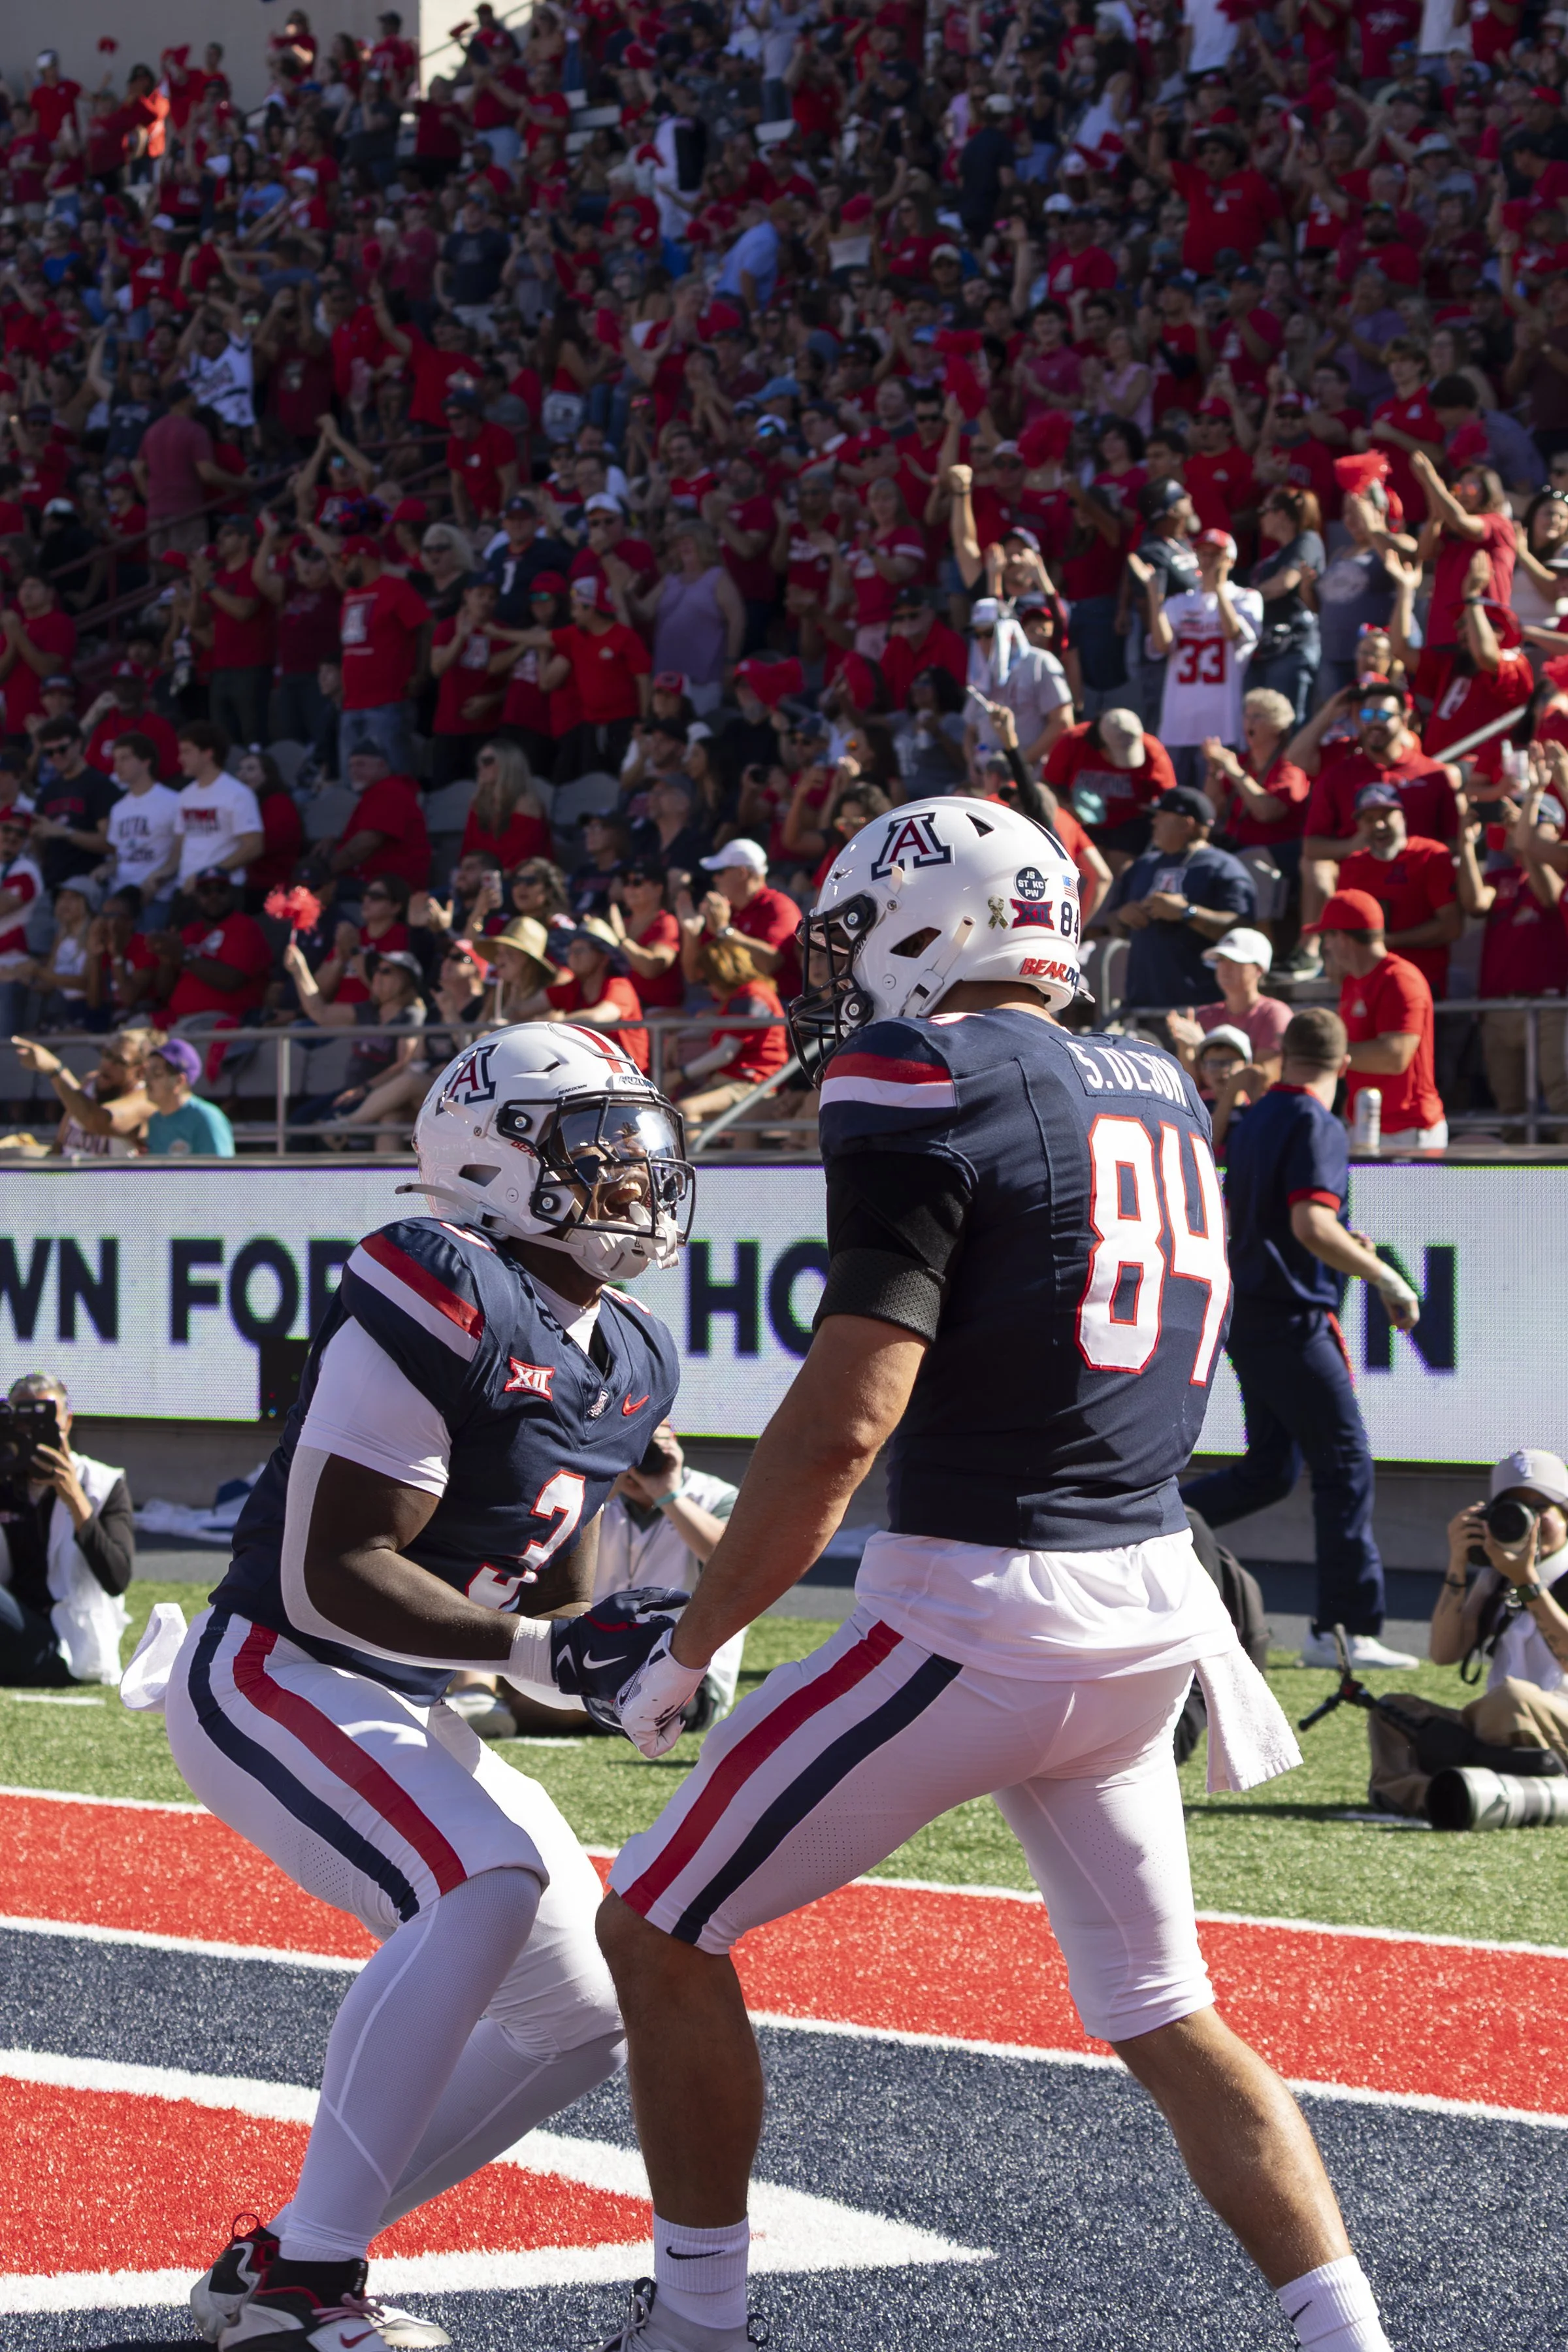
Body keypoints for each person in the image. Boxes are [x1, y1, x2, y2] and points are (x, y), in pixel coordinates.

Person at [572, 796, 1396, 2352]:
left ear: (939, 921)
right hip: (1147, 1605)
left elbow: (842, 1421)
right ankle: (1339, 2332)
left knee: (654, 1923)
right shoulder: (1156, 1077)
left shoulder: (917, 1067)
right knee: (1160, 2009)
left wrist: (686, 1647)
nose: (828, 971)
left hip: (984, 1611)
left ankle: (694, 2320)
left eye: (847, 932)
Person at [150, 1024, 693, 2351]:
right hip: (274, 1667)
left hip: (396, 1695)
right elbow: (334, 1570)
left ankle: (289, 2253)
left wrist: (623, 1632)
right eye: (596, 1152)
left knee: (587, 2007)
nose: (632, 1178)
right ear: (500, 1161)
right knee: (481, 1880)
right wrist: (545, 1661)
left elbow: (545, 1590)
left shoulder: (629, 1350)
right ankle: (306, 2284)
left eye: (636, 1150)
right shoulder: (439, 1278)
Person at [1183, 1007, 1421, 1671]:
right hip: (1288, 1319)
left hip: (1252, 1313)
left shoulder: (1259, 1116)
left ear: (1284, 1056)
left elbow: (1298, 1225)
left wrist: (1348, 1248)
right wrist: (1386, 1279)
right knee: (1344, 1463)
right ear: (1346, 1067)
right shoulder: (1316, 1121)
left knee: (1270, 1470)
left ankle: (1139, 1529)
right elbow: (1312, 1224)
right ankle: (1343, 1627)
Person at [456, 1422, 745, 1740]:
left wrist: (668, 1493)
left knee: (548, 1696)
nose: (638, 1463)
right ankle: (479, 1695)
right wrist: (602, 1488)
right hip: (591, 1649)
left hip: (684, 1669)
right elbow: (530, 1554)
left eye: (650, 1448)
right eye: (629, 1450)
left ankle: (489, 1707)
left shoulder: (713, 1496)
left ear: (674, 1444)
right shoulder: (594, 1492)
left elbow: (733, 1561)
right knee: (497, 1596)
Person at [1427, 1447, 1568, 1761]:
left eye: (1541, 1507)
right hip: (1506, 1722)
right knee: (1396, 1711)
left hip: (1555, 1725)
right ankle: (1426, 1796)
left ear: (1565, 1515)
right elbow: (1443, 1654)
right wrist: (1458, 1563)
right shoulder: (1495, 1579)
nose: (1529, 1520)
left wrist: (1527, 1584)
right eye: (1515, 1508)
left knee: (1513, 1696)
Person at [0, 1371, 132, 1687]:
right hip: (13, 1629)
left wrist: (74, 1497)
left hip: (69, 1643)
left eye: (44, 1422)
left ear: (67, 1422)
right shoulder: (4, 1482)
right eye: (23, 1423)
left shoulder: (101, 1483)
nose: (32, 1435)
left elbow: (117, 1579)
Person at [1094, 787, 1256, 1011]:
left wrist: (1186, 913)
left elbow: (1242, 929)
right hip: (1142, 1001)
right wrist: (1124, 917)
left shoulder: (1223, 868)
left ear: (1186, 824)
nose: (1154, 822)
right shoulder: (1143, 866)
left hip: (1202, 1005)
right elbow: (1113, 922)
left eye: (1162, 816)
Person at [1308, 887, 1446, 1149]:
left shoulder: (1400, 979)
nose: (1326, 946)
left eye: (1328, 936)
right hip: (1366, 1125)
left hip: (1407, 1130)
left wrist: (1323, 1055)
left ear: (1344, 938)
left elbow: (1395, 1057)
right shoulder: (1354, 981)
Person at [1130, 527, 1263, 787]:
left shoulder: (1246, 597)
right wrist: (1155, 598)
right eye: (1203, 553)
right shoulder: (1179, 603)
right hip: (1178, 723)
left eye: (1215, 554)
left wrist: (1218, 587)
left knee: (1213, 798)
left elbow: (1232, 633)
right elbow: (1162, 646)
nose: (1208, 559)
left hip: (1221, 723)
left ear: (1230, 560)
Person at [1334, 786, 1462, 1000]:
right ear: (1359, 826)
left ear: (1402, 816)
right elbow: (1339, 929)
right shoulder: (1352, 866)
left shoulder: (1430, 855)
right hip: (1365, 987)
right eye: (1369, 819)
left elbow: (1452, 927)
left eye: (1386, 815)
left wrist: (1389, 941)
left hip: (1421, 984)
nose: (1379, 825)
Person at [681, 839, 801, 999]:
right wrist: (691, 933)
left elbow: (771, 963)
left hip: (777, 1007)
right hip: (733, 1007)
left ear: (741, 873)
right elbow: (694, 975)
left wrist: (725, 931)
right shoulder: (726, 910)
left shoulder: (779, 906)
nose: (715, 879)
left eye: (720, 872)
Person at [11, 1028, 156, 1157]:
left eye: (119, 1061)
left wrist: (55, 1069)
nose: (107, 1064)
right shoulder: (90, 1082)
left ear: (141, 1071)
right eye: (107, 1055)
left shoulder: (146, 1100)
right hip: (70, 1182)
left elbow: (95, 1121)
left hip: (112, 1185)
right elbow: (60, 1143)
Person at [1169, 928, 1291, 1075]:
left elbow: (1265, 1080)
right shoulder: (1206, 1015)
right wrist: (1185, 1048)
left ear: (1259, 969)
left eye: (1235, 961)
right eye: (1221, 960)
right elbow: (1191, 1088)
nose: (1225, 968)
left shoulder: (1275, 1014)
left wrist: (1203, 1047)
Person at [173, 723, 265, 896]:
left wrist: (209, 875)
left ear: (208, 753)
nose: (180, 759)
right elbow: (180, 845)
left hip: (222, 891)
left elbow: (254, 846)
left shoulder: (237, 793)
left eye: (187, 752)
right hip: (186, 888)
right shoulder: (185, 795)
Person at [144, 1033, 236, 1156]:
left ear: (179, 1081)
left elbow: (221, 1173)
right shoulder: (155, 1121)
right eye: (147, 1073)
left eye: (157, 1074)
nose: (147, 1081)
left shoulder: (206, 1118)